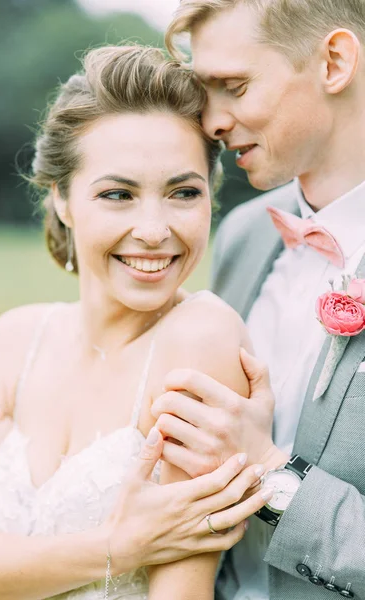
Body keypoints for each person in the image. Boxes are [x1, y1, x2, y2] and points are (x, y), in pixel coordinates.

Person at [0, 45, 273, 600]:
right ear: (62, 199)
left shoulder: (201, 339)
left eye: (183, 192)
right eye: (117, 194)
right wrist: (120, 548)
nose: (154, 229)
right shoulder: (16, 338)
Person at [161, 1, 365, 599]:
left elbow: (251, 457)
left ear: (334, 61)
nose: (212, 122)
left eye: (234, 86)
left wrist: (272, 474)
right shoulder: (242, 237)